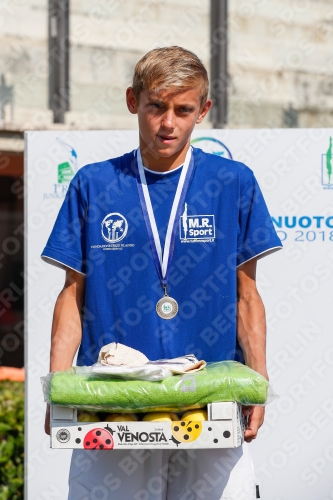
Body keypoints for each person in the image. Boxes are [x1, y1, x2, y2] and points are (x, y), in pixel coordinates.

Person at [42, 46, 282, 500]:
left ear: (203, 111)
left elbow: (246, 295)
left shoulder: (233, 182)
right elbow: (72, 295)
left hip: (210, 399)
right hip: (113, 407)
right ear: (133, 101)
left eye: (183, 109)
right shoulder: (94, 183)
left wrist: (258, 383)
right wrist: (58, 386)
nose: (168, 122)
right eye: (156, 106)